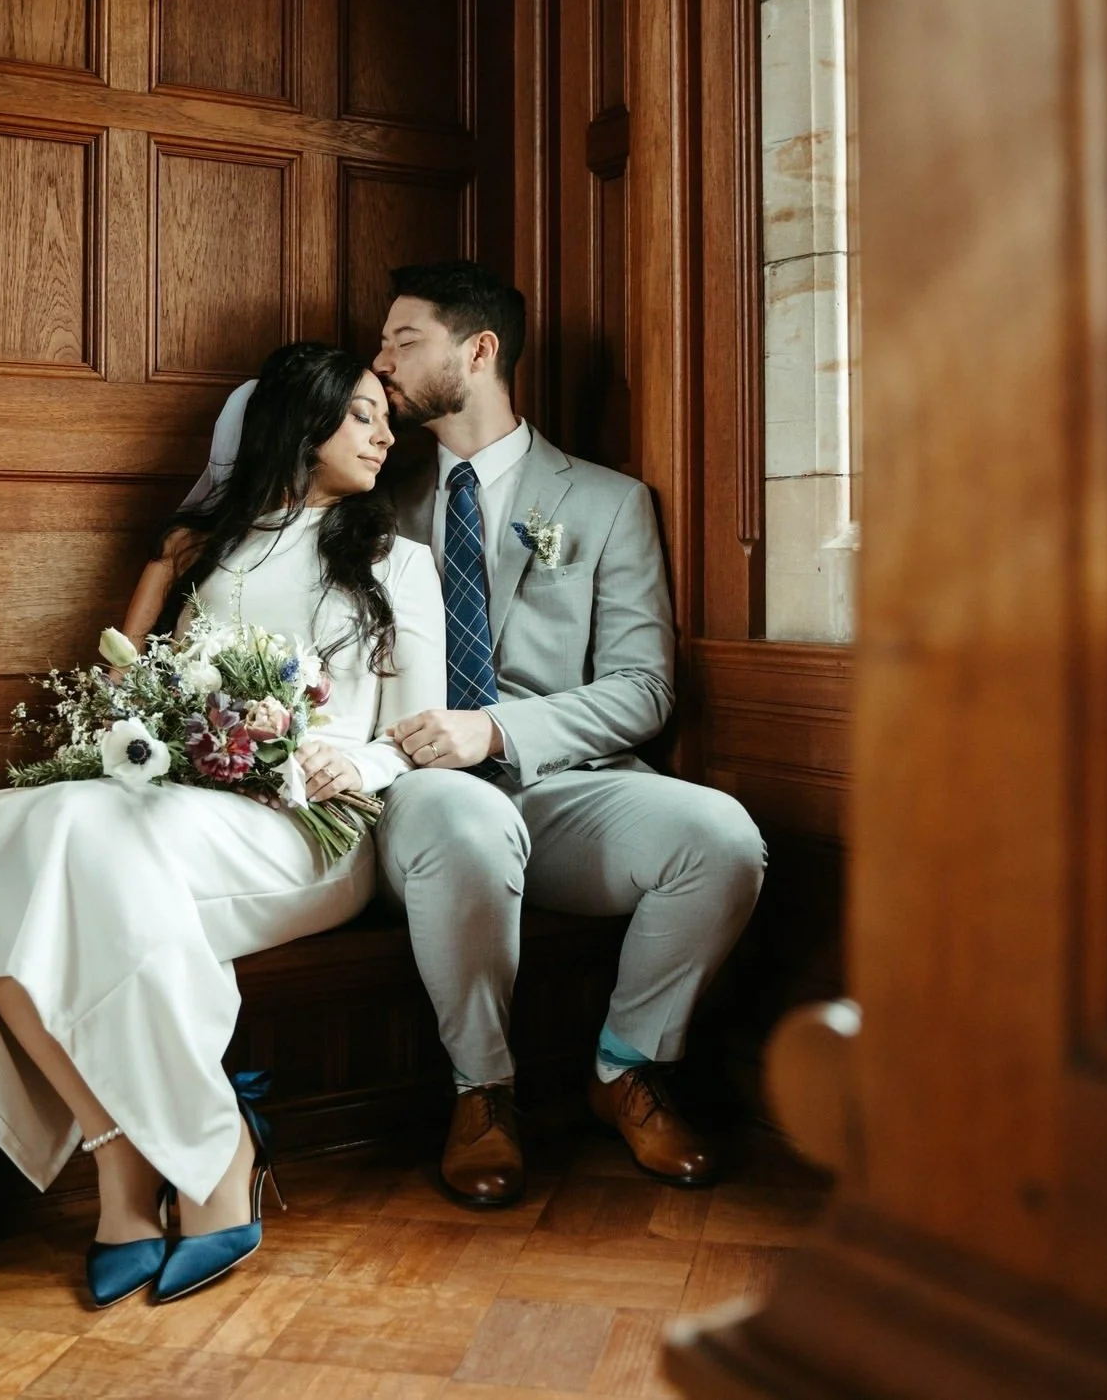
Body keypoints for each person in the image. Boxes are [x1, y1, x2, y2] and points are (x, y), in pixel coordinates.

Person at [193, 265, 767, 1209]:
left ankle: (626, 1066)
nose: (379, 362)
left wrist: (494, 727)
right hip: (413, 792)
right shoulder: (369, 502)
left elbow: (643, 687)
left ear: (479, 351)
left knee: (721, 840)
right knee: (462, 818)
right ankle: (483, 1093)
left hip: (560, 781)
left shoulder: (605, 503)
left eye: (401, 340)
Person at [0, 344, 445, 1305]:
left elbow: (419, 726)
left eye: (386, 418)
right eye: (364, 414)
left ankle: (213, 1156)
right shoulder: (207, 546)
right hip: (186, 801)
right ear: (304, 423)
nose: (385, 433)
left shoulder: (396, 560)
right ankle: (121, 1156)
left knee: (85, 839)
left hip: (312, 826)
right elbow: (128, 679)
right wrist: (161, 586)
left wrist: (355, 759)